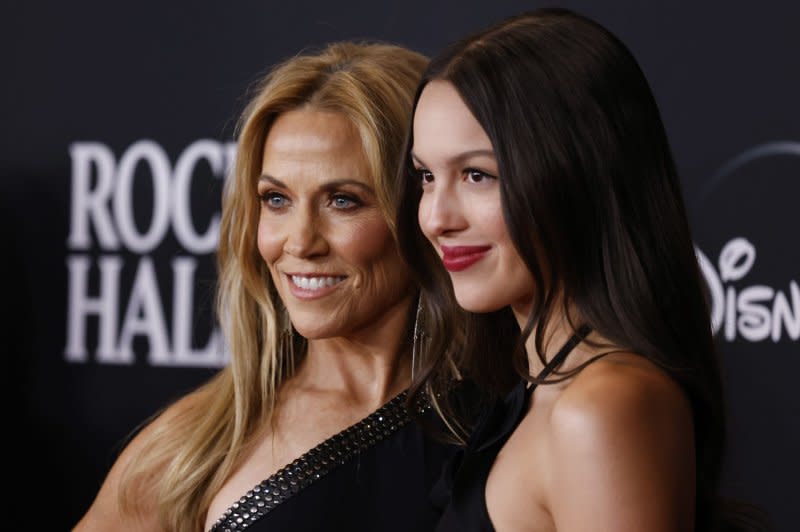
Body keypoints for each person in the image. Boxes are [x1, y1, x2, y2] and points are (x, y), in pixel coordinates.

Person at [397, 8, 768, 532]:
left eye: (477, 175)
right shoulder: (542, 389)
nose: (436, 218)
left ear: (576, 176)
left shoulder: (599, 408)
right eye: (426, 176)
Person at [74, 41, 458, 532]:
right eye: (276, 199)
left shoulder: (508, 416)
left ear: (421, 207)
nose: (299, 242)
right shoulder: (192, 447)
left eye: (342, 200)